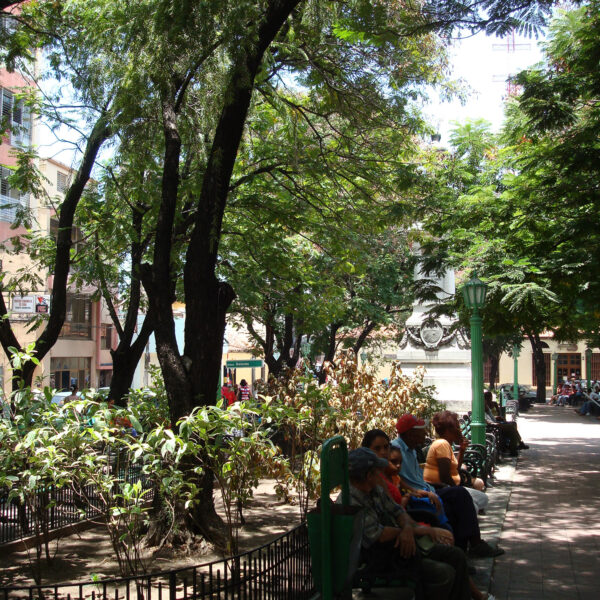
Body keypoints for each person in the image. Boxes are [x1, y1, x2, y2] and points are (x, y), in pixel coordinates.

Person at [344, 447, 493, 600]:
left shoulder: (375, 490)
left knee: (456, 555)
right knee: (444, 573)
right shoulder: (352, 500)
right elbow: (378, 535)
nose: (380, 475)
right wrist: (419, 531)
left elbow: (398, 511)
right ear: (369, 475)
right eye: (377, 471)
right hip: (383, 556)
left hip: (403, 543)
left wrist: (408, 528)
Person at [392, 414, 503, 558]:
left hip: (428, 490)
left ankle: (462, 553)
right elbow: (398, 480)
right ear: (411, 434)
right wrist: (430, 491)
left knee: (458, 501)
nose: (425, 434)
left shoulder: (412, 449)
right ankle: (474, 545)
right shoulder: (396, 450)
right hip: (418, 496)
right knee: (460, 495)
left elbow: (421, 477)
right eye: (421, 431)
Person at [361, 429, 451, 530]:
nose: (383, 452)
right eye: (377, 448)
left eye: (386, 447)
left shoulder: (392, 475)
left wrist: (429, 494)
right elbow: (391, 512)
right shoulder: (371, 478)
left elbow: (410, 489)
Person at [424, 411, 489, 514]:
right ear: (449, 430)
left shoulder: (446, 444)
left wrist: (462, 450)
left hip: (451, 487)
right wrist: (458, 490)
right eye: (457, 427)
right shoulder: (442, 444)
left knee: (482, 499)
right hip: (441, 489)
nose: (460, 430)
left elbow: (455, 469)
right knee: (474, 505)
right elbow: (445, 476)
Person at [484, 391, 528, 457]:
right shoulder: (480, 410)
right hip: (493, 426)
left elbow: (494, 415)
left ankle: (515, 446)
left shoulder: (487, 408)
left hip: (496, 422)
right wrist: (495, 423)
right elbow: (487, 421)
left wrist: (498, 418)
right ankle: (514, 448)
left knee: (513, 424)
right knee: (511, 428)